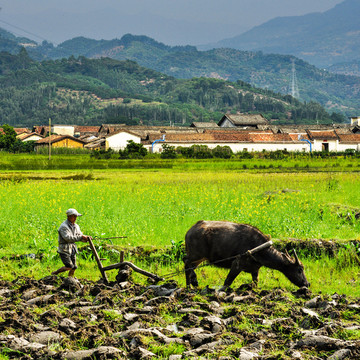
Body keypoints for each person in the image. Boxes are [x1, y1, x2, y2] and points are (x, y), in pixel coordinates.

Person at [52, 208, 92, 277]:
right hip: (64, 249)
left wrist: (86, 238)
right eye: (74, 216)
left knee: (74, 267)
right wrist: (81, 237)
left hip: (72, 248)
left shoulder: (76, 226)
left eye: (76, 216)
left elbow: (79, 235)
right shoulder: (63, 227)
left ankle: (70, 278)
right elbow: (68, 238)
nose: (75, 218)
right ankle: (55, 273)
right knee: (69, 266)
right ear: (69, 217)